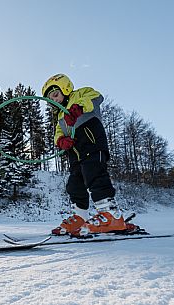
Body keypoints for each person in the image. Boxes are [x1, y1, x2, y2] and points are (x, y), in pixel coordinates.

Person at [42, 73, 126, 237]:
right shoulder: (61, 116)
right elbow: (58, 133)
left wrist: (78, 107)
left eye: (56, 95)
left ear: (65, 88)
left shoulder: (82, 94)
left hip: (92, 144)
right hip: (75, 155)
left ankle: (111, 215)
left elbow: (95, 98)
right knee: (74, 185)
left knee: (95, 177)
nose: (55, 100)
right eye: (51, 100)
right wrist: (60, 141)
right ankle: (80, 218)